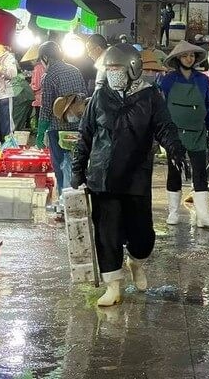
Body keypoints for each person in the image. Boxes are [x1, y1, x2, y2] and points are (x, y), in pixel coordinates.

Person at [72, 44, 188, 306]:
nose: (113, 73)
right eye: (109, 69)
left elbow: (165, 127)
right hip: (102, 178)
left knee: (142, 235)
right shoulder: (100, 97)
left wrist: (176, 150)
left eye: (117, 69)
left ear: (133, 69)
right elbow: (85, 135)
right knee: (107, 234)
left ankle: (137, 262)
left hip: (136, 177)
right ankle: (113, 286)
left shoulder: (150, 97)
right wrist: (78, 170)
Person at [159, 41, 209, 228]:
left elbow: (208, 106)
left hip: (198, 132)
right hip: (174, 133)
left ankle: (203, 215)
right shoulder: (168, 80)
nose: (189, 58)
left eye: (192, 56)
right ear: (178, 58)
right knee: (174, 171)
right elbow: (161, 107)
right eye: (185, 55)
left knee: (200, 173)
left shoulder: (202, 80)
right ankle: (173, 212)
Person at [36, 41, 87, 200]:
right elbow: (84, 97)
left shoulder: (49, 76)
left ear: (45, 57)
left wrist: (40, 133)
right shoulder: (75, 70)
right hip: (78, 127)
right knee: (76, 163)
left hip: (57, 129)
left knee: (60, 165)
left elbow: (45, 108)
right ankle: (77, 198)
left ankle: (65, 202)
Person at [0, 44, 19, 141]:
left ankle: (8, 146)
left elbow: (12, 74)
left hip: (5, 95)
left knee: (6, 125)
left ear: (1, 44)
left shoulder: (9, 57)